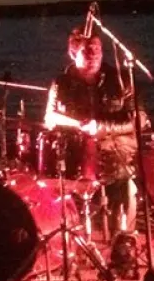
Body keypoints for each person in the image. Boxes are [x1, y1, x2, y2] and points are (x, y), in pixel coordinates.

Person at [44, 28, 139, 238]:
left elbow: (138, 120)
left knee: (126, 196)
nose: (94, 55)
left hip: (116, 157)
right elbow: (49, 117)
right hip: (76, 159)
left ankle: (122, 247)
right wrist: (77, 125)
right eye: (88, 51)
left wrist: (101, 126)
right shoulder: (61, 83)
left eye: (98, 49)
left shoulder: (120, 80)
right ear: (73, 52)